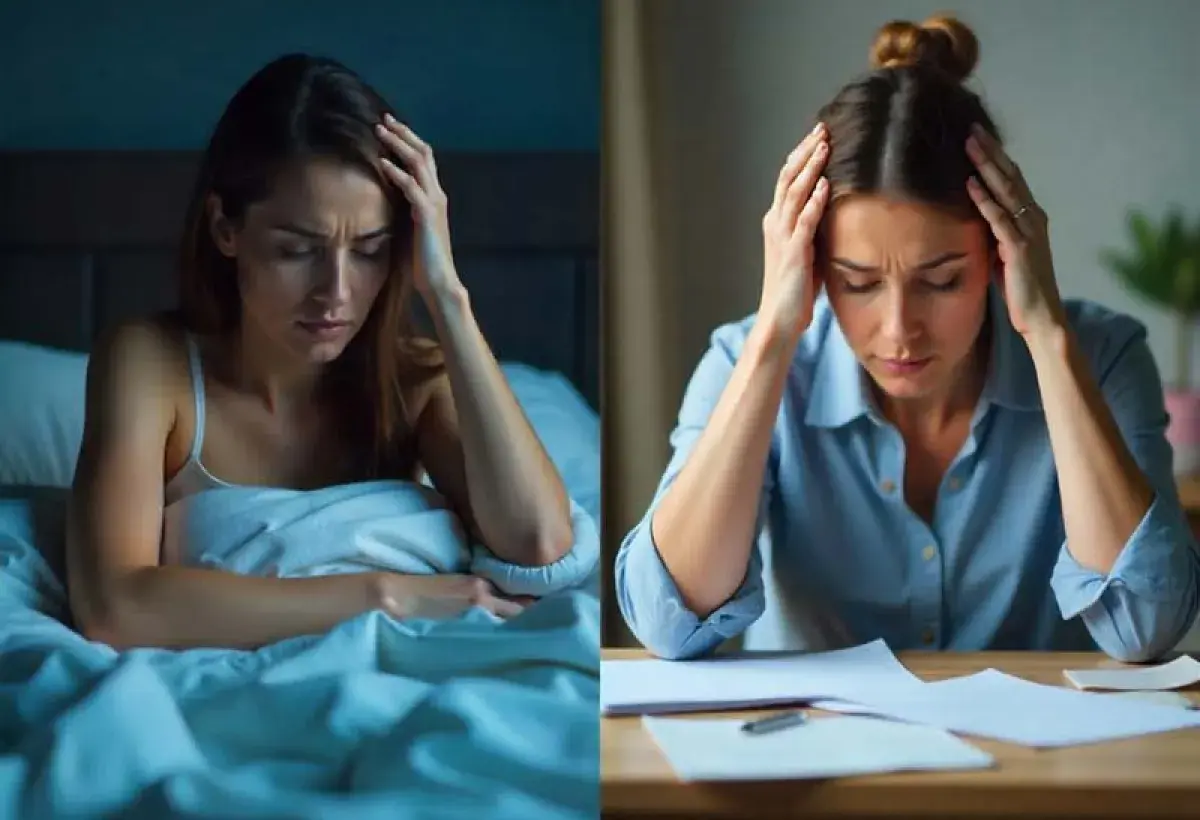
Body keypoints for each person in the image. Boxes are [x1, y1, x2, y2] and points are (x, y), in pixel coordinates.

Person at [615, 16, 1200, 663]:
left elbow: (1148, 626)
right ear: (809, 263)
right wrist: (773, 338)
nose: (898, 329)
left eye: (942, 281)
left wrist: (1048, 336)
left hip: (1029, 761)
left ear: (1003, 256)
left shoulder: (1102, 355)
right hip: (819, 758)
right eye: (858, 282)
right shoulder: (740, 361)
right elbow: (668, 625)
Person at [66, 54, 579, 650]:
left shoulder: (413, 379)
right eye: (296, 250)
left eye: (369, 249)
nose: (336, 292)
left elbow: (539, 544)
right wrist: (385, 595)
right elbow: (115, 608)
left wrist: (446, 295)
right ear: (225, 229)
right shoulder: (152, 364)